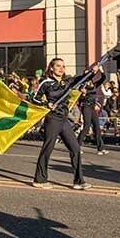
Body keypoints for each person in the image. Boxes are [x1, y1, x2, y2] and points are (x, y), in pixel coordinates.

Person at [32, 58, 100, 190]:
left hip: (63, 119)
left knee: (75, 148)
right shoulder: (46, 82)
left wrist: (92, 72)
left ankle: (78, 181)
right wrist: (47, 104)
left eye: (63, 66)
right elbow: (35, 98)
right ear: (51, 68)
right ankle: (39, 179)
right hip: (52, 119)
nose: (61, 69)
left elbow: (81, 78)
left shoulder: (67, 81)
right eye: (58, 66)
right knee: (48, 148)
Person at [77, 80, 108, 155]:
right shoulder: (83, 85)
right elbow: (81, 95)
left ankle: (100, 148)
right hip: (86, 106)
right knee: (86, 126)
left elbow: (102, 78)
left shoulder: (94, 85)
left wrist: (100, 69)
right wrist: (84, 93)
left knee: (97, 127)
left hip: (92, 107)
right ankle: (77, 146)